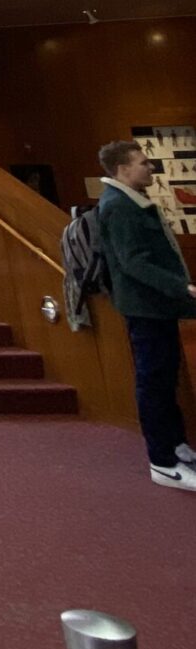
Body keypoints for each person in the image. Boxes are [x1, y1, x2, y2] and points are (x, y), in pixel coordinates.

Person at [97, 140, 196, 491]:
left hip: (157, 307)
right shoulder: (119, 207)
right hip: (145, 308)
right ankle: (163, 461)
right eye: (143, 163)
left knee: (165, 379)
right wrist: (180, 287)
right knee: (153, 383)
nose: (149, 168)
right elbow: (133, 261)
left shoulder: (130, 201)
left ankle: (176, 445)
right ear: (123, 169)